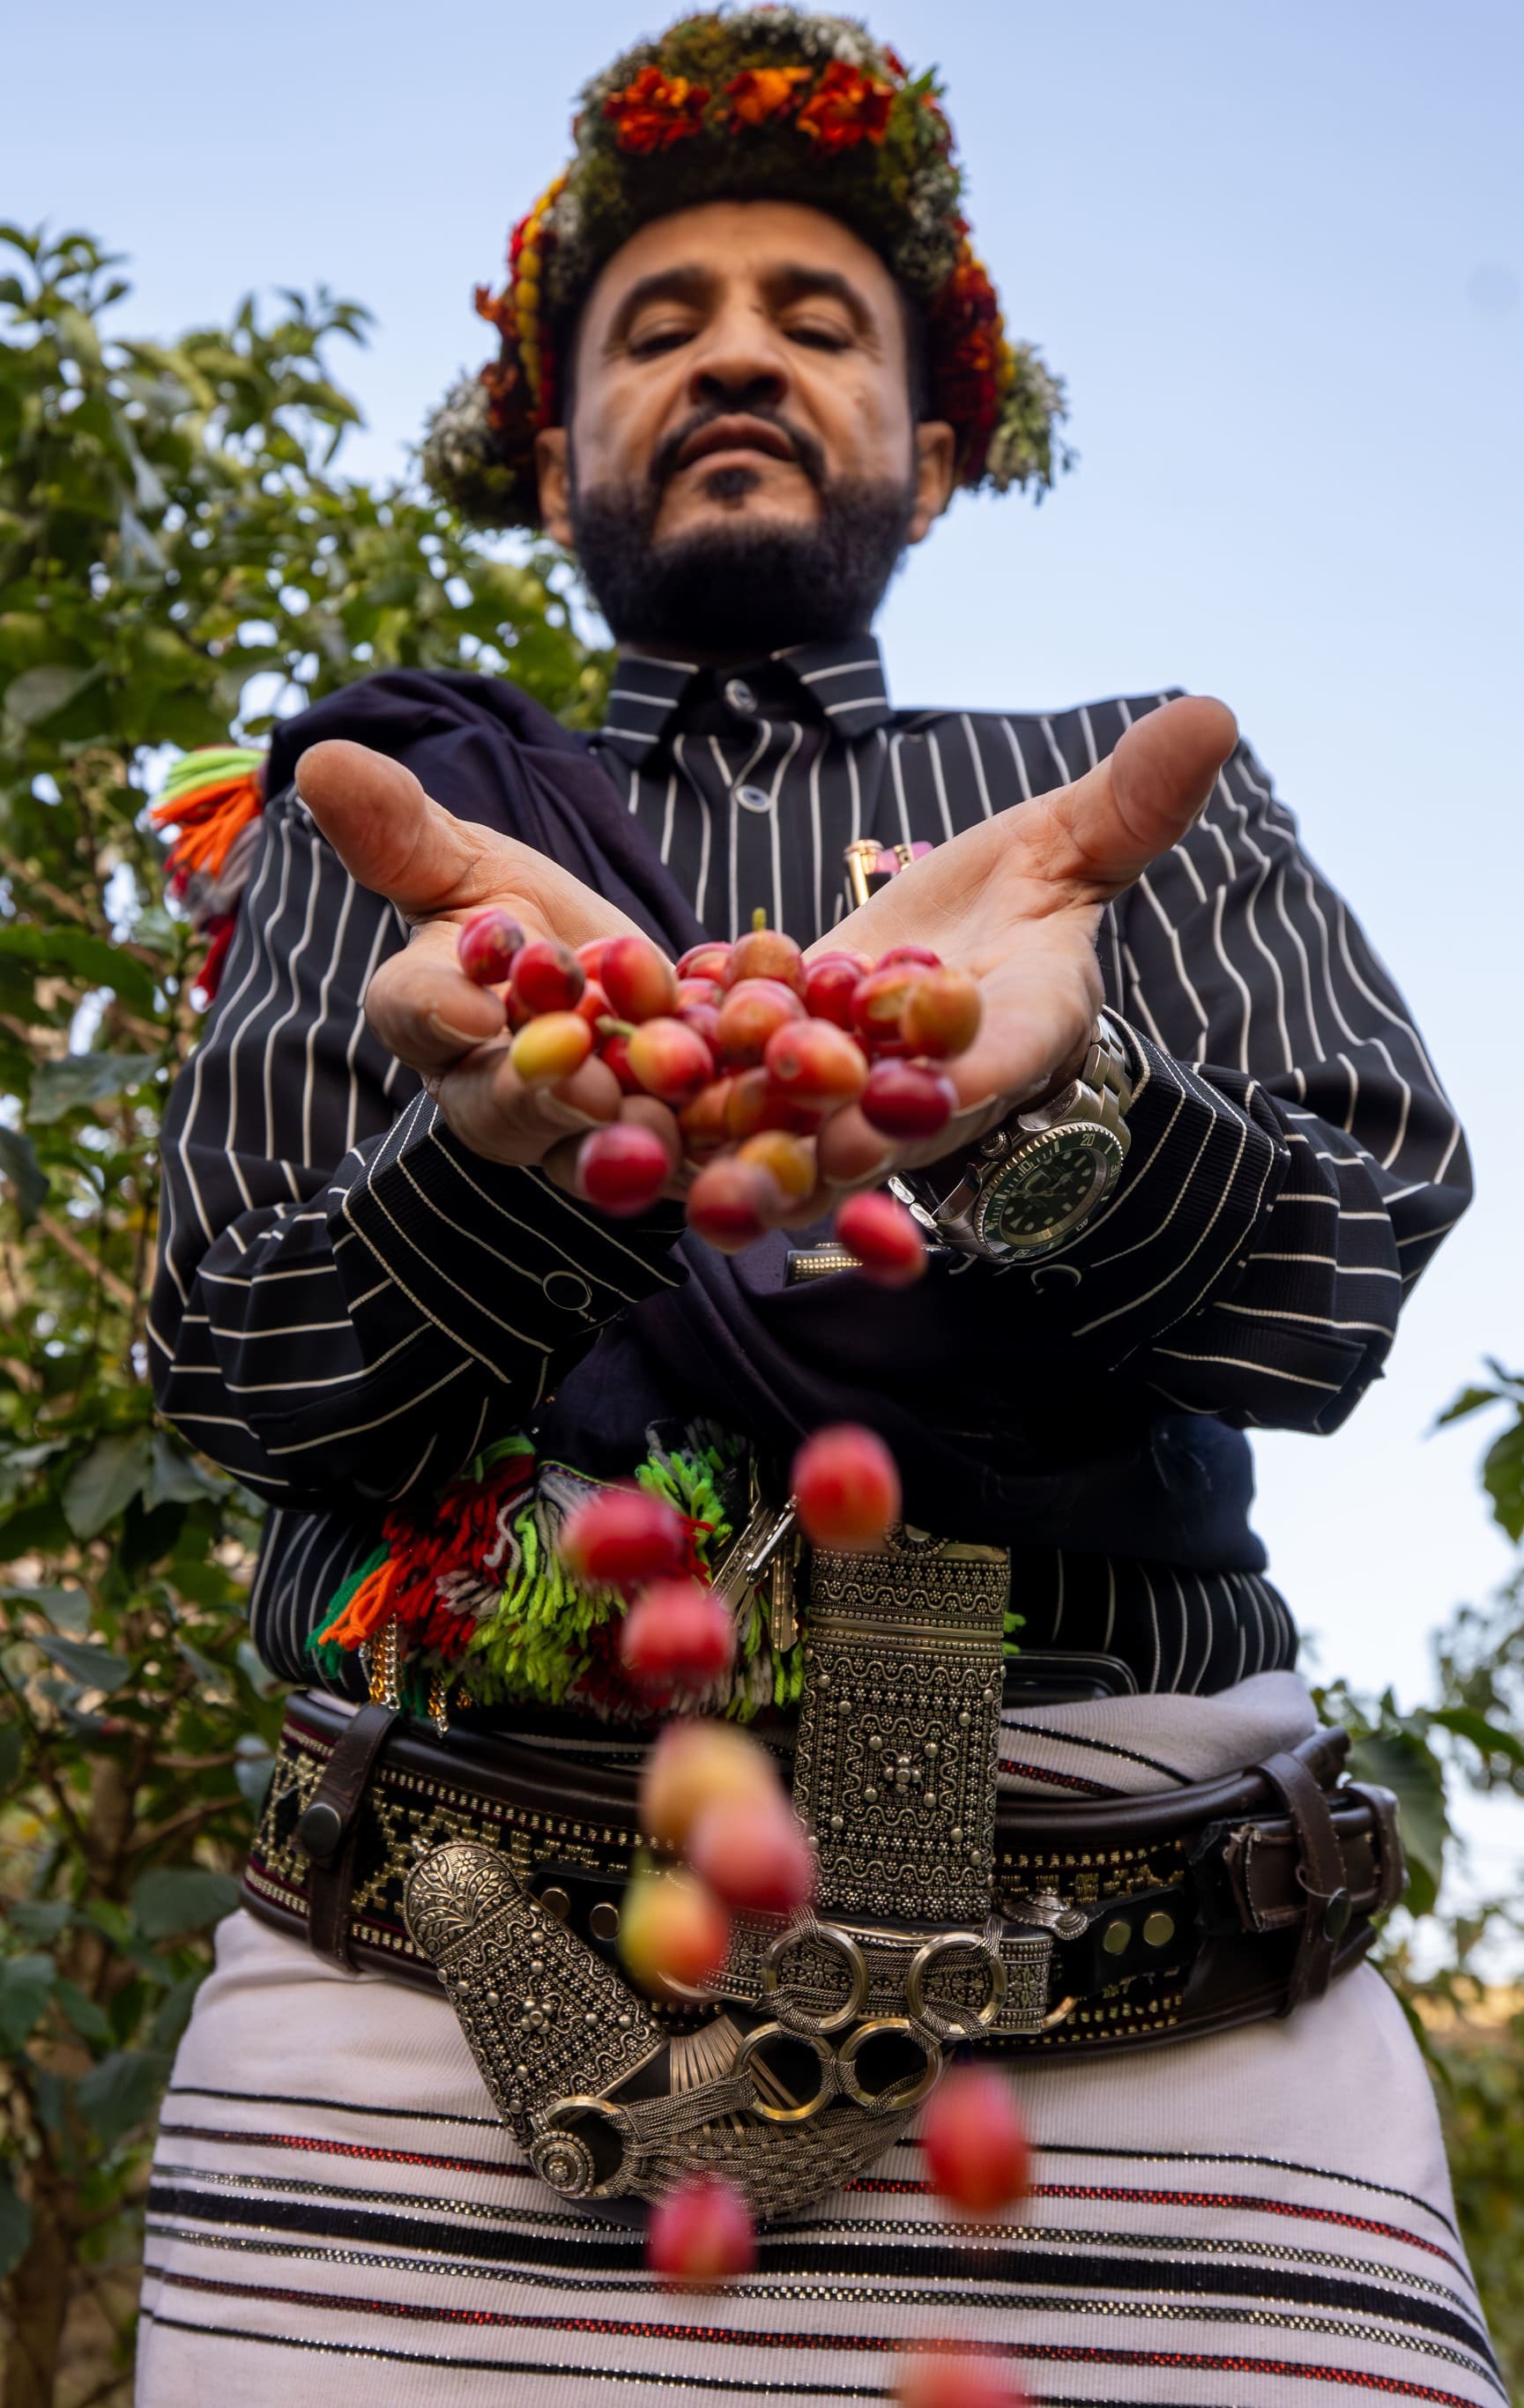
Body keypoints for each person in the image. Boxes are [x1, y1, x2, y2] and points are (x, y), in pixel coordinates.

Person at [136, 11, 1491, 2404]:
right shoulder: (384, 827)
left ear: (934, 450)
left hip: (1170, 2076)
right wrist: (503, 1155)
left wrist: (1050, 1119)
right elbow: (237, 1371)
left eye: (815, 320)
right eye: (659, 324)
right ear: (550, 446)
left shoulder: (1115, 814)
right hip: (415, 2060)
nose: (738, 353)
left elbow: (1333, 1292)